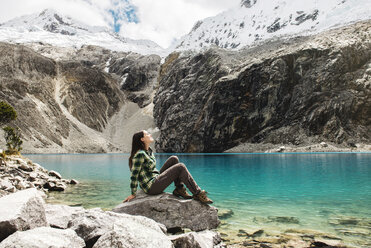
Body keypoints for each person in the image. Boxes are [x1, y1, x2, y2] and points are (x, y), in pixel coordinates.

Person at [123, 130, 213, 204]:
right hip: (151, 187)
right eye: (147, 134)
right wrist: (133, 194)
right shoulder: (140, 155)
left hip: (155, 178)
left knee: (174, 159)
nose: (150, 134)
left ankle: (179, 189)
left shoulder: (149, 151)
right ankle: (197, 193)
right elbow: (134, 175)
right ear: (142, 139)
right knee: (180, 167)